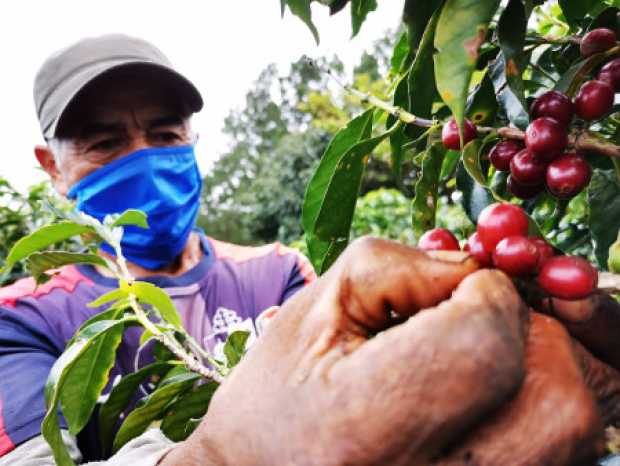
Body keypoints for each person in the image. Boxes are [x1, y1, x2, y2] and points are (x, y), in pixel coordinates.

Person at [1, 33, 619, 466]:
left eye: (163, 135)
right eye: (106, 143)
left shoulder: (276, 272)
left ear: (192, 141)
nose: (143, 159)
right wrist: (213, 458)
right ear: (51, 167)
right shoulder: (21, 318)